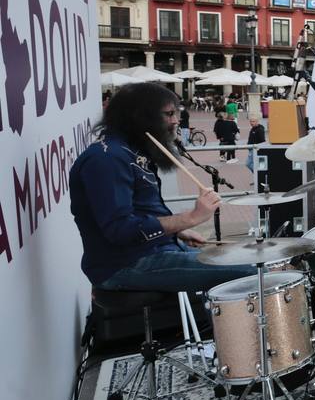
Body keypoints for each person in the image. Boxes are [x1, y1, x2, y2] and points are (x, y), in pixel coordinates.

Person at [69, 83, 255, 292]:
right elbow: (119, 230)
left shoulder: (130, 152)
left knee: (245, 257)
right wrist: (190, 217)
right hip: (124, 265)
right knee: (250, 272)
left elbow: (142, 211)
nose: (176, 121)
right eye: (168, 114)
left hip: (151, 250)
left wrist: (179, 231)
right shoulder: (107, 159)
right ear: (140, 117)